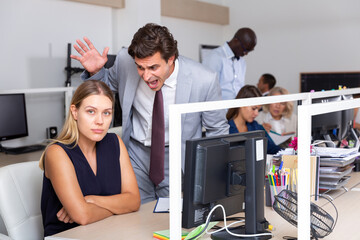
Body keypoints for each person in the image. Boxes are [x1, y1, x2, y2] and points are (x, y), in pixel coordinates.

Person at [71, 23, 229, 204]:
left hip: (176, 158)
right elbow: (106, 89)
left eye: (153, 68)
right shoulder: (125, 61)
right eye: (140, 68)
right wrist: (97, 71)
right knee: (134, 214)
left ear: (171, 59)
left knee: (168, 219)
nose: (146, 76)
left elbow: (217, 131)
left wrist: (211, 179)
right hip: (136, 154)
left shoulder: (204, 79)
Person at [40, 80, 140, 237]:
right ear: (74, 112)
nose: (100, 121)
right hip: (68, 236)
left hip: (109, 232)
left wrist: (91, 200)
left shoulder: (115, 143)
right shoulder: (57, 153)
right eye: (91, 111)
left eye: (106, 113)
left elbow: (133, 201)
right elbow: (83, 216)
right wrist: (118, 207)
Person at [202, 27, 257, 100]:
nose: (246, 54)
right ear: (236, 41)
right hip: (220, 109)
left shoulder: (242, 62)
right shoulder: (215, 57)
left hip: (236, 109)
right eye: (245, 50)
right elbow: (208, 90)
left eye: (249, 51)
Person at [226, 85, 281, 154]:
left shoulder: (255, 126)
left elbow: (272, 148)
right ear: (241, 104)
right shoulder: (225, 129)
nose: (256, 113)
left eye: (258, 109)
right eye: (254, 108)